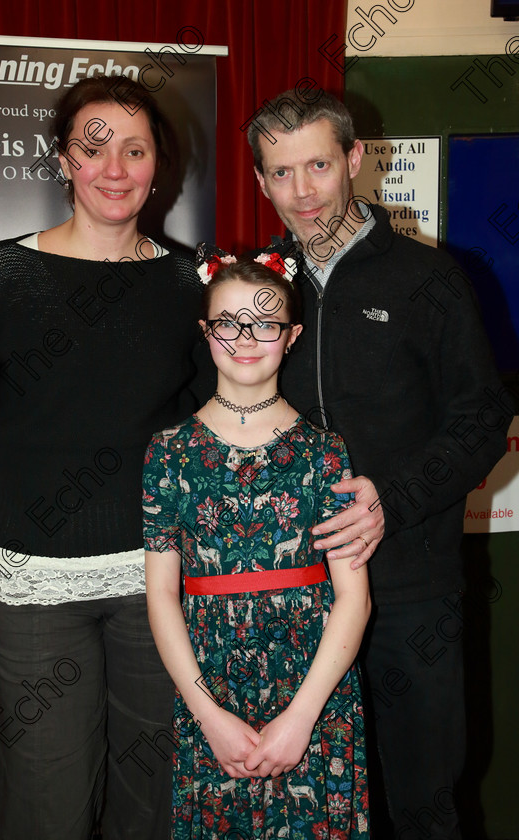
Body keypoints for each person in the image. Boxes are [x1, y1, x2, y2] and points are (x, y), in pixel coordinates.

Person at [245, 90, 511, 838]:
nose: (302, 192)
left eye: (319, 165)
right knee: (304, 805)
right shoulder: (254, 290)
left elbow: (483, 418)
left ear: (355, 159)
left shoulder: (431, 281)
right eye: (281, 172)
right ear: (261, 180)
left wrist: (392, 500)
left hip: (408, 589)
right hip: (288, 593)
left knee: (423, 802)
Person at [0, 75, 209, 840]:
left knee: (153, 798)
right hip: (35, 586)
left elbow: (206, 433)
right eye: (93, 148)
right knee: (47, 807)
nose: (114, 168)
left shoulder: (184, 280)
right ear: (63, 161)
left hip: (159, 582)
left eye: (134, 151)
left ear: (157, 167)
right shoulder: (2, 273)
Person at [143, 252, 371, 839]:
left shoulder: (326, 453)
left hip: (314, 691)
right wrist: (207, 715)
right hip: (210, 686)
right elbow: (162, 597)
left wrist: (300, 718)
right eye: (228, 322)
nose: (246, 338)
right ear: (206, 331)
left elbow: (354, 599)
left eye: (264, 323)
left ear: (291, 335)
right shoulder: (168, 452)